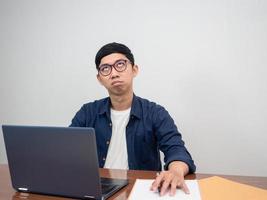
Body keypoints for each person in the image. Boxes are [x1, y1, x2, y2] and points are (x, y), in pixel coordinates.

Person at [70, 42, 196, 196]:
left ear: (134, 70)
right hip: (96, 189)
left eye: (120, 65)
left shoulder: (155, 113)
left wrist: (175, 171)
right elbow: (68, 151)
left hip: (141, 190)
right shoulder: (87, 112)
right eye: (105, 69)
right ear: (99, 78)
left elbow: (176, 149)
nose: (114, 73)